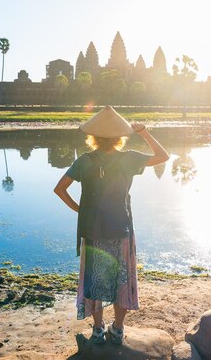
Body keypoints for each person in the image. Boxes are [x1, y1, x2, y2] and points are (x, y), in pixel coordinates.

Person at [54, 106, 169, 345]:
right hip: (121, 228)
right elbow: (163, 156)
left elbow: (59, 189)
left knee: (95, 280)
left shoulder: (84, 161)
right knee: (122, 279)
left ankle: (97, 329)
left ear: (93, 137)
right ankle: (118, 329)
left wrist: (79, 209)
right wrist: (144, 132)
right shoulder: (129, 158)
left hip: (93, 230)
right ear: (120, 137)